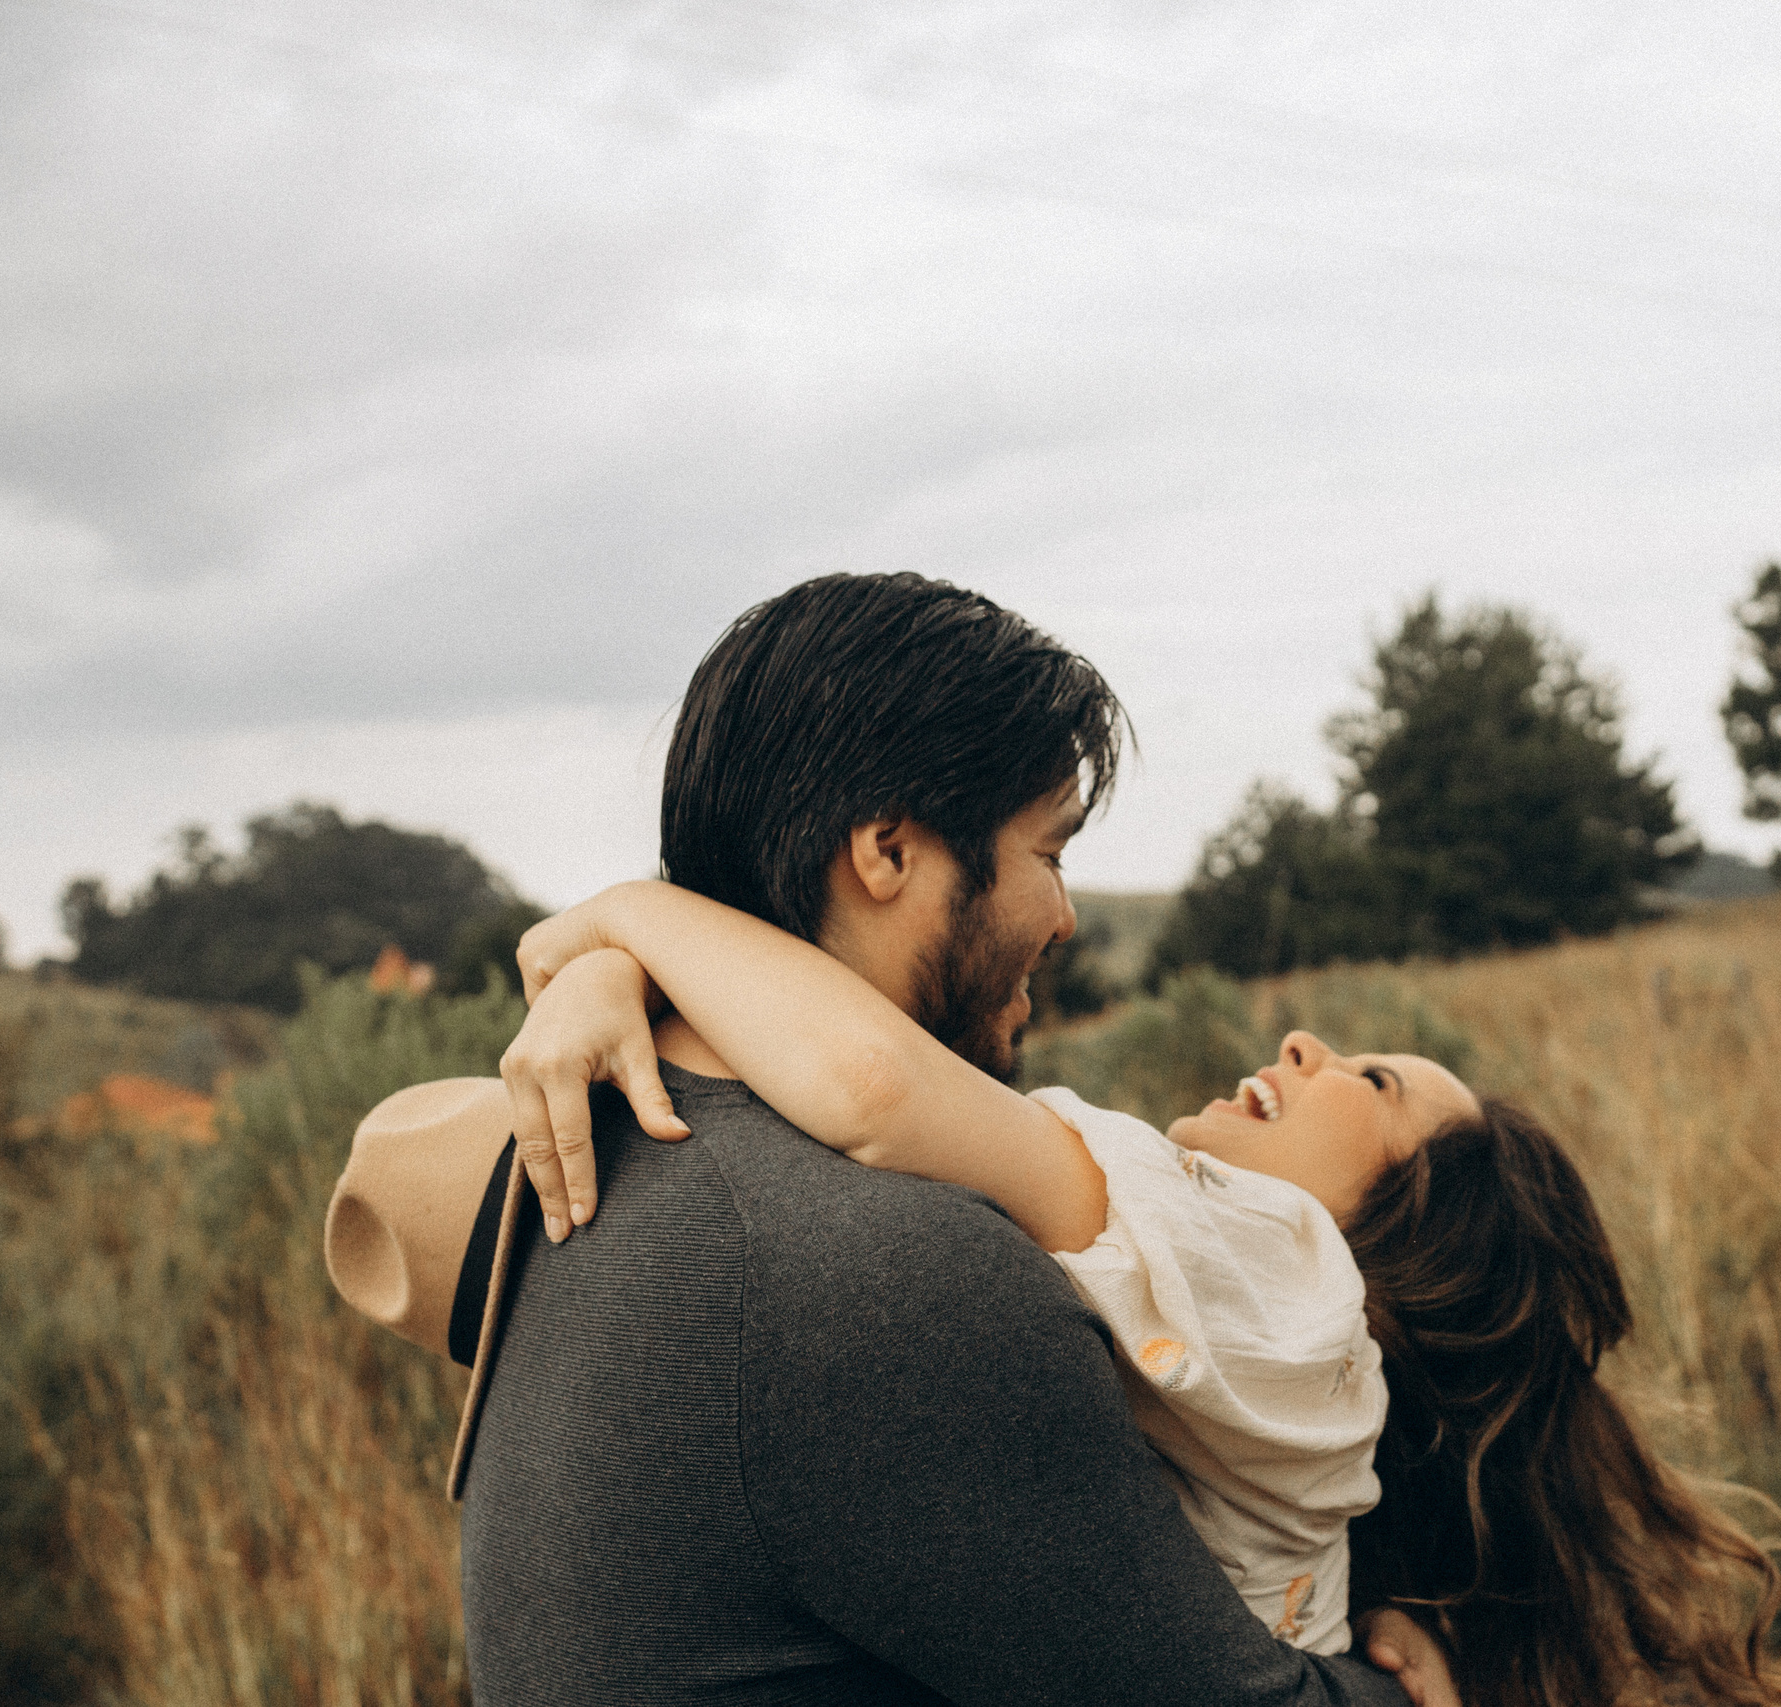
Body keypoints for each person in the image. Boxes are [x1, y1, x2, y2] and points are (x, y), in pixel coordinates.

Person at [325, 573, 1440, 1707]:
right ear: (889, 851)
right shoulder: (889, 1272)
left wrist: (622, 939)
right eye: (1048, 853)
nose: (1062, 917)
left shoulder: (631, 1163)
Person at [499, 880, 1781, 1707]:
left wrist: (624, 920)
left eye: (1370, 1082)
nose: (1305, 1042)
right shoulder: (1287, 1330)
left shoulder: (1276, 1269)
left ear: (1396, 1253)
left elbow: (879, 1090)